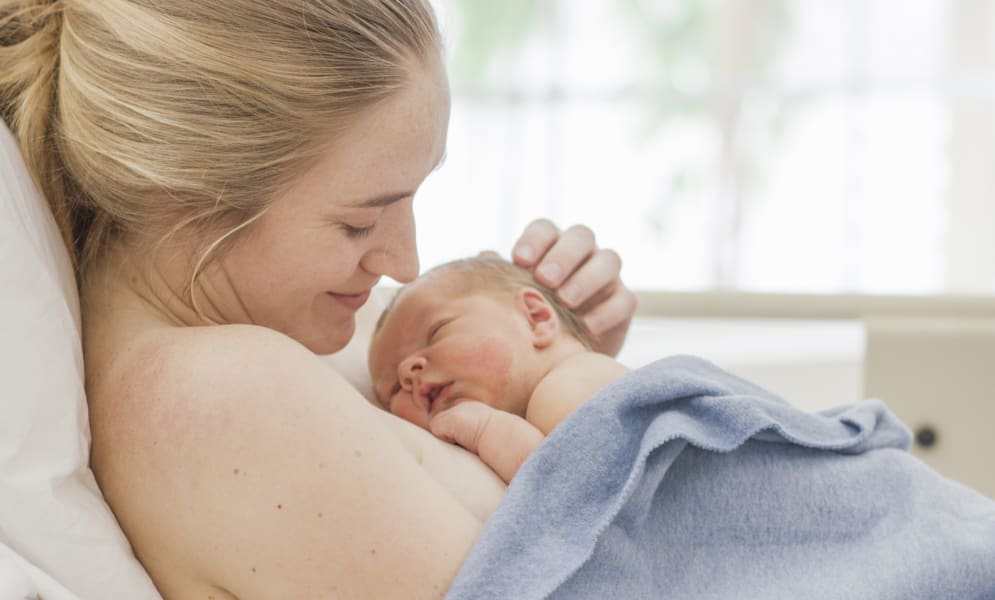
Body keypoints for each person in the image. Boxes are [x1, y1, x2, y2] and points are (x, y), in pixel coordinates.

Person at [0, 1, 637, 598]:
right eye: (359, 222)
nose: (404, 264)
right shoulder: (219, 401)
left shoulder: (279, 336)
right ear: (193, 200)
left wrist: (564, 378)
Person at [369, 255, 631, 484]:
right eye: (393, 390)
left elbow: (577, 493)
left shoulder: (569, 384)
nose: (407, 372)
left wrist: (487, 431)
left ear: (535, 317)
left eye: (436, 332)